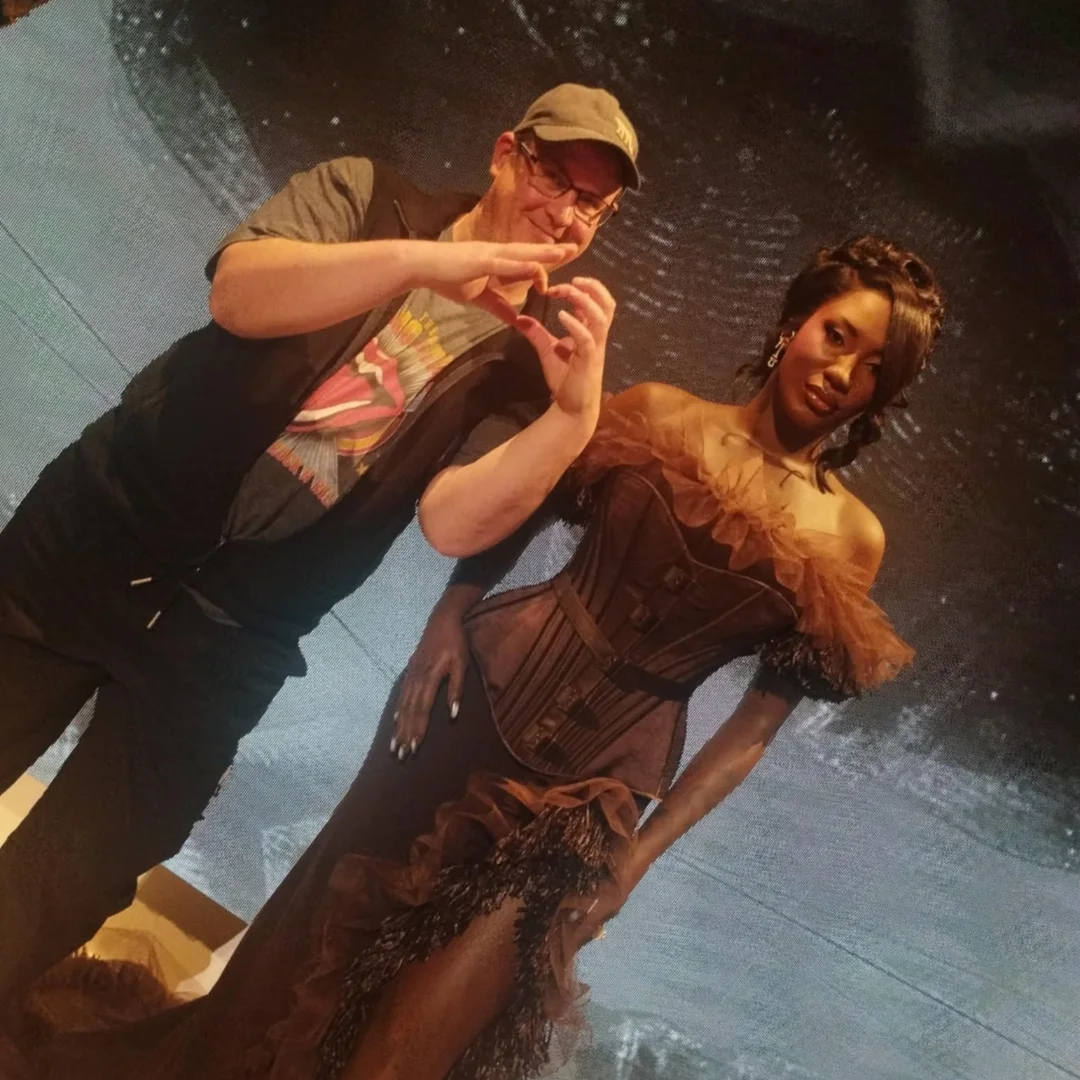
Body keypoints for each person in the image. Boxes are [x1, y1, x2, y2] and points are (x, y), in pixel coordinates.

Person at [5, 236, 944, 1080]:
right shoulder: (657, 413)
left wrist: (638, 861)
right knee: (298, 953)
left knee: (408, 1050)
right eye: (837, 335)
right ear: (792, 323)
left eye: (874, 368)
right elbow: (522, 501)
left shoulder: (851, 538)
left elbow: (753, 731)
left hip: (590, 804)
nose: (842, 373)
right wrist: (445, 619)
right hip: (461, 712)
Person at [0, 83, 641, 1004]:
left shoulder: (529, 358)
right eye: (555, 178)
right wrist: (422, 264)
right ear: (506, 153)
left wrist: (572, 418)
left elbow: (452, 523)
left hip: (233, 638)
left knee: (74, 874)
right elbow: (239, 293)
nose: (565, 213)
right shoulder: (367, 196)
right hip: (97, 538)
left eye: (592, 204)